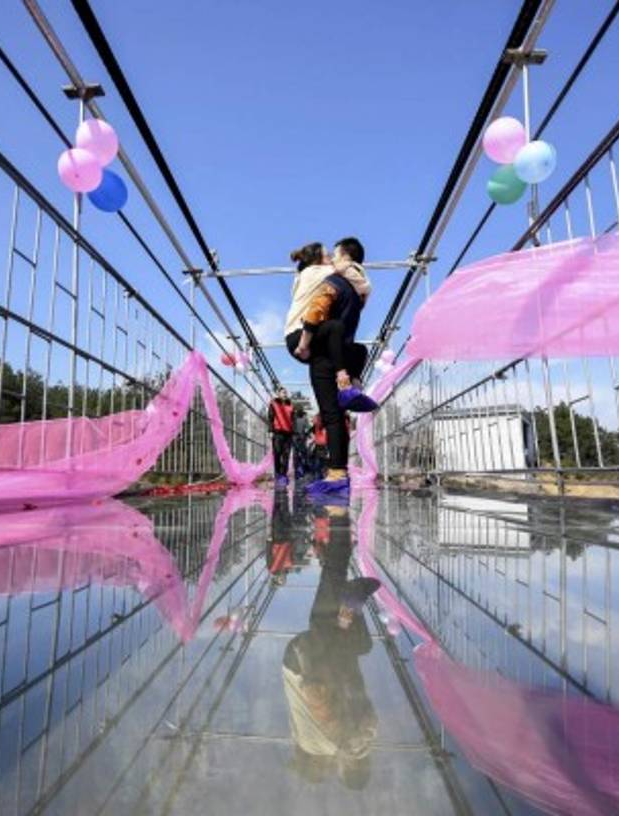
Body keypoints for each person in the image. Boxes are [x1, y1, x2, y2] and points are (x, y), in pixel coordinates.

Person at [282, 503, 380, 788]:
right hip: (302, 660)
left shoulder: (351, 741)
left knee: (336, 579)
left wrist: (317, 673)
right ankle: (348, 602)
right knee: (334, 585)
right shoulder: (315, 744)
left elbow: (319, 698)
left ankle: (338, 512)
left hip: (311, 662)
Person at [284, 238, 377, 496]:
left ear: (344, 257)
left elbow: (317, 309)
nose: (332, 260)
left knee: (332, 415)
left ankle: (337, 475)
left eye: (334, 256)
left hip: (317, 347)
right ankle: (353, 387)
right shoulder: (325, 276)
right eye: (327, 257)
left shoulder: (332, 281)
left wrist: (305, 344)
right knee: (338, 413)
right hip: (325, 343)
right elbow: (362, 284)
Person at [268, 386, 295, 486]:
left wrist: (294, 432)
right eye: (282, 392)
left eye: (285, 392)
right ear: (278, 394)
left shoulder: (290, 405)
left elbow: (293, 419)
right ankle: (277, 473)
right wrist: (270, 431)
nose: (285, 394)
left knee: (286, 454)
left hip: (288, 433)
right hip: (278, 432)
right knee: (277, 453)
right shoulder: (274, 403)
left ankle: (283, 474)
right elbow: (270, 417)